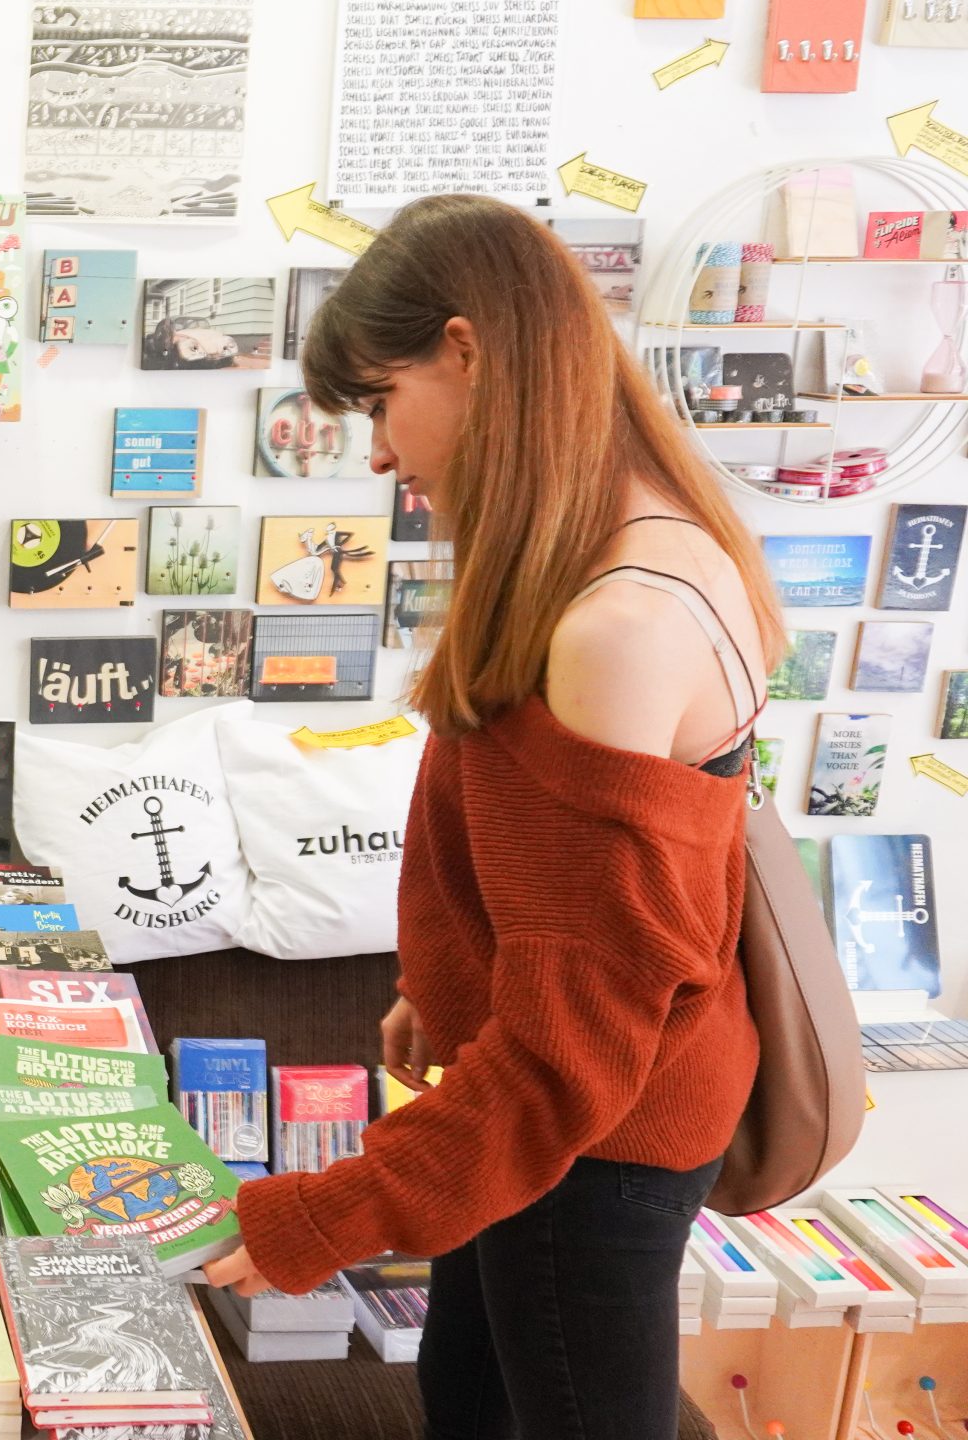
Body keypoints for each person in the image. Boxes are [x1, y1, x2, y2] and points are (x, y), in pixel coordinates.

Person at [203, 194, 782, 1440]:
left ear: (466, 352)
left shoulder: (614, 624)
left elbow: (574, 1048)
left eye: (376, 400)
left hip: (592, 1143)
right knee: (468, 1389)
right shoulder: (639, 550)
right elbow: (577, 895)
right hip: (558, 1119)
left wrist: (322, 1218)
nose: (373, 452)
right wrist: (448, 976)